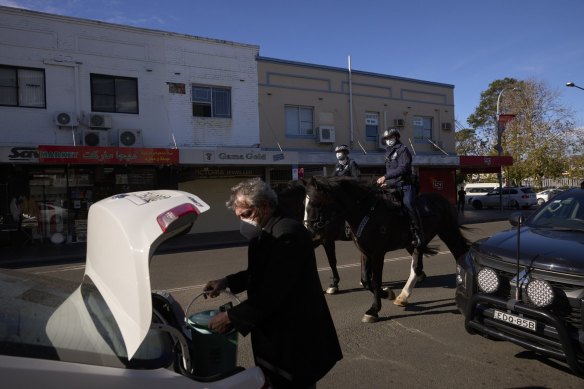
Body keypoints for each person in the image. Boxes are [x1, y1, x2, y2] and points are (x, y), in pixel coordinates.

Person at [204, 177, 342, 388]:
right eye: (239, 217)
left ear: (265, 207)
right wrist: (226, 282)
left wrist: (231, 317)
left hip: (295, 341)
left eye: (246, 215)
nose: (243, 222)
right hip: (277, 338)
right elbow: (258, 273)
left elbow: (272, 292)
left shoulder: (287, 234)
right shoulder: (265, 232)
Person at [376, 128, 423, 247]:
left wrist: (385, 177)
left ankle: (417, 233)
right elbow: (391, 170)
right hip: (393, 185)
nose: (388, 140)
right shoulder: (388, 152)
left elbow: (403, 168)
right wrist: (387, 182)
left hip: (405, 185)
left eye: (390, 138)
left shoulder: (403, 150)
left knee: (408, 204)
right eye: (386, 139)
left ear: (396, 137)